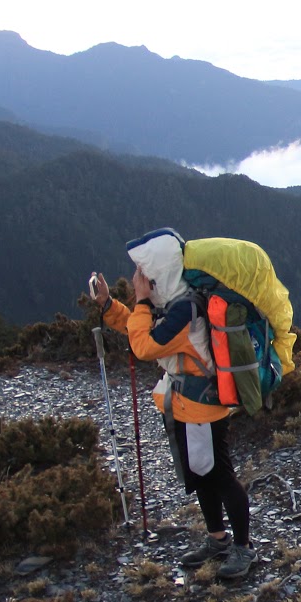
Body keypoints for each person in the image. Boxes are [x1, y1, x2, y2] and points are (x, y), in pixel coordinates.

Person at [89, 228, 255, 581]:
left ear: (159, 271)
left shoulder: (184, 310)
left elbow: (145, 346)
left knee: (219, 475)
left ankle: (243, 546)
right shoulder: (176, 301)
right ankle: (217, 539)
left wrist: (142, 301)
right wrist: (109, 306)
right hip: (185, 403)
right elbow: (144, 329)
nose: (140, 279)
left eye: (145, 274)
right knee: (201, 475)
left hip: (203, 406)